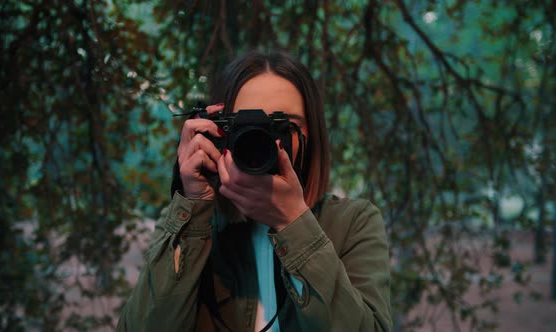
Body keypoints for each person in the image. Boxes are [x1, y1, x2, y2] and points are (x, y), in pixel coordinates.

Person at [117, 50, 392, 331]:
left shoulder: (354, 223)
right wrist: (192, 208)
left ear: (312, 133)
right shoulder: (191, 222)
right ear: (217, 130)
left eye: (282, 126)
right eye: (247, 125)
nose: (265, 142)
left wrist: (294, 224)